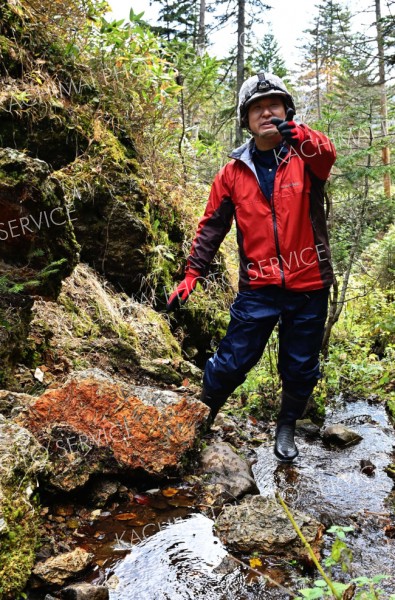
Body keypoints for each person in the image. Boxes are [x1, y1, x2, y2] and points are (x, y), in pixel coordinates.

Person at [166, 72, 336, 462]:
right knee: (233, 358)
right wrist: (193, 273)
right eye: (257, 107)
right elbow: (211, 225)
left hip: (309, 282)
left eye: (274, 105)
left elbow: (327, 154)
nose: (266, 112)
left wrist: (301, 135)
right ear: (246, 119)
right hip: (258, 286)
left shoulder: (306, 158)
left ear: (287, 111)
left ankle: (287, 426)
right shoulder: (232, 173)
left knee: (301, 365)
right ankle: (202, 418)